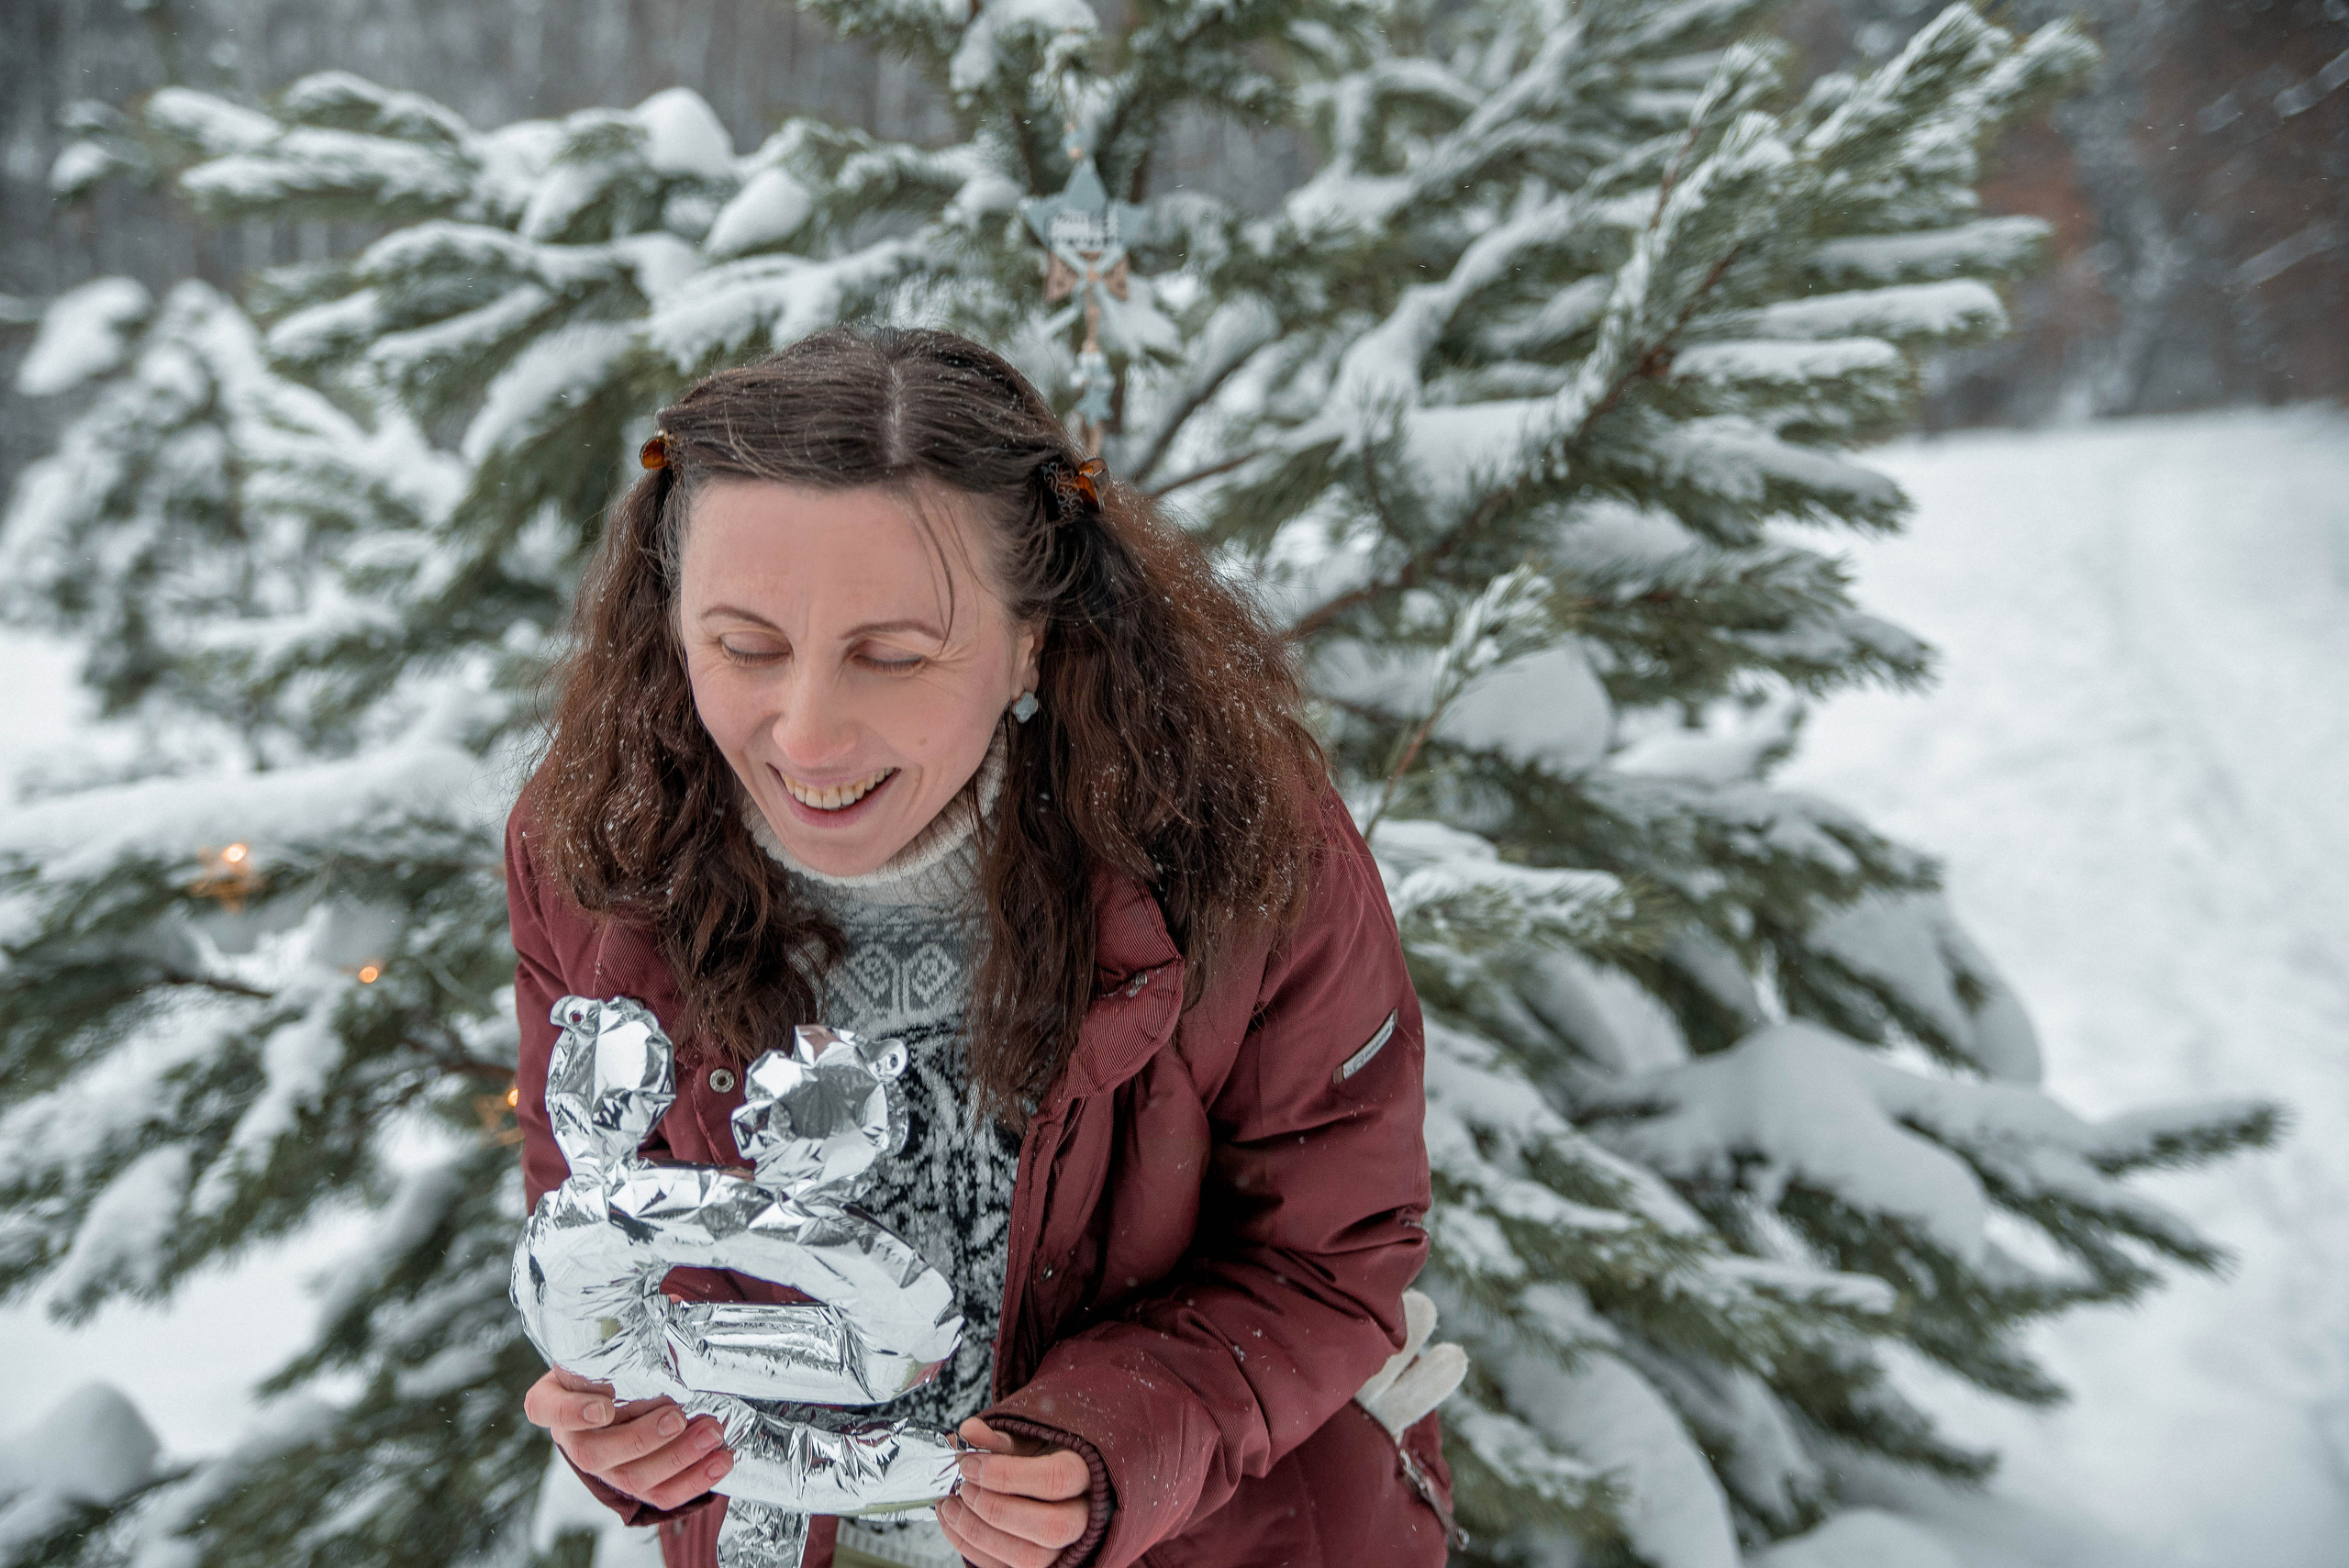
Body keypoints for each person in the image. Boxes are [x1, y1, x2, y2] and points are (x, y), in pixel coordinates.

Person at [504, 325, 1454, 1568]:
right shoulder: (595, 848)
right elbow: (595, 1206)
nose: (808, 735)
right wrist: (624, 1409)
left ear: (1035, 637)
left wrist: (1120, 1442)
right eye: (743, 647)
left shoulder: (1239, 850)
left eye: (891, 656)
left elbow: (1328, 1260)